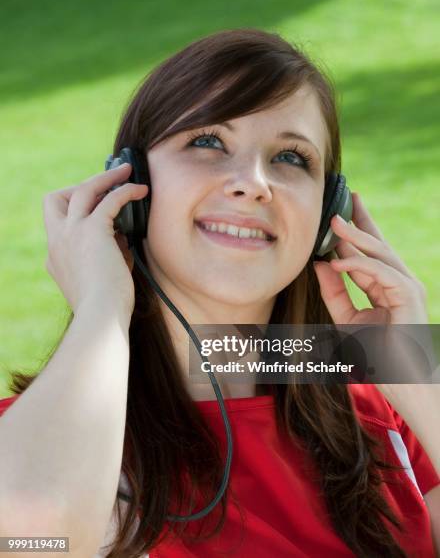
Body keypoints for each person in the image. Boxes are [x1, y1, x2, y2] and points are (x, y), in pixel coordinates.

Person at [0, 28, 438, 558]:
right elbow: (33, 539)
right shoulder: (38, 440)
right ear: (125, 187)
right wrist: (101, 306)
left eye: (292, 158)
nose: (254, 182)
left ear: (329, 216)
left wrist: (414, 366)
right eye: (207, 142)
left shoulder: (381, 410)